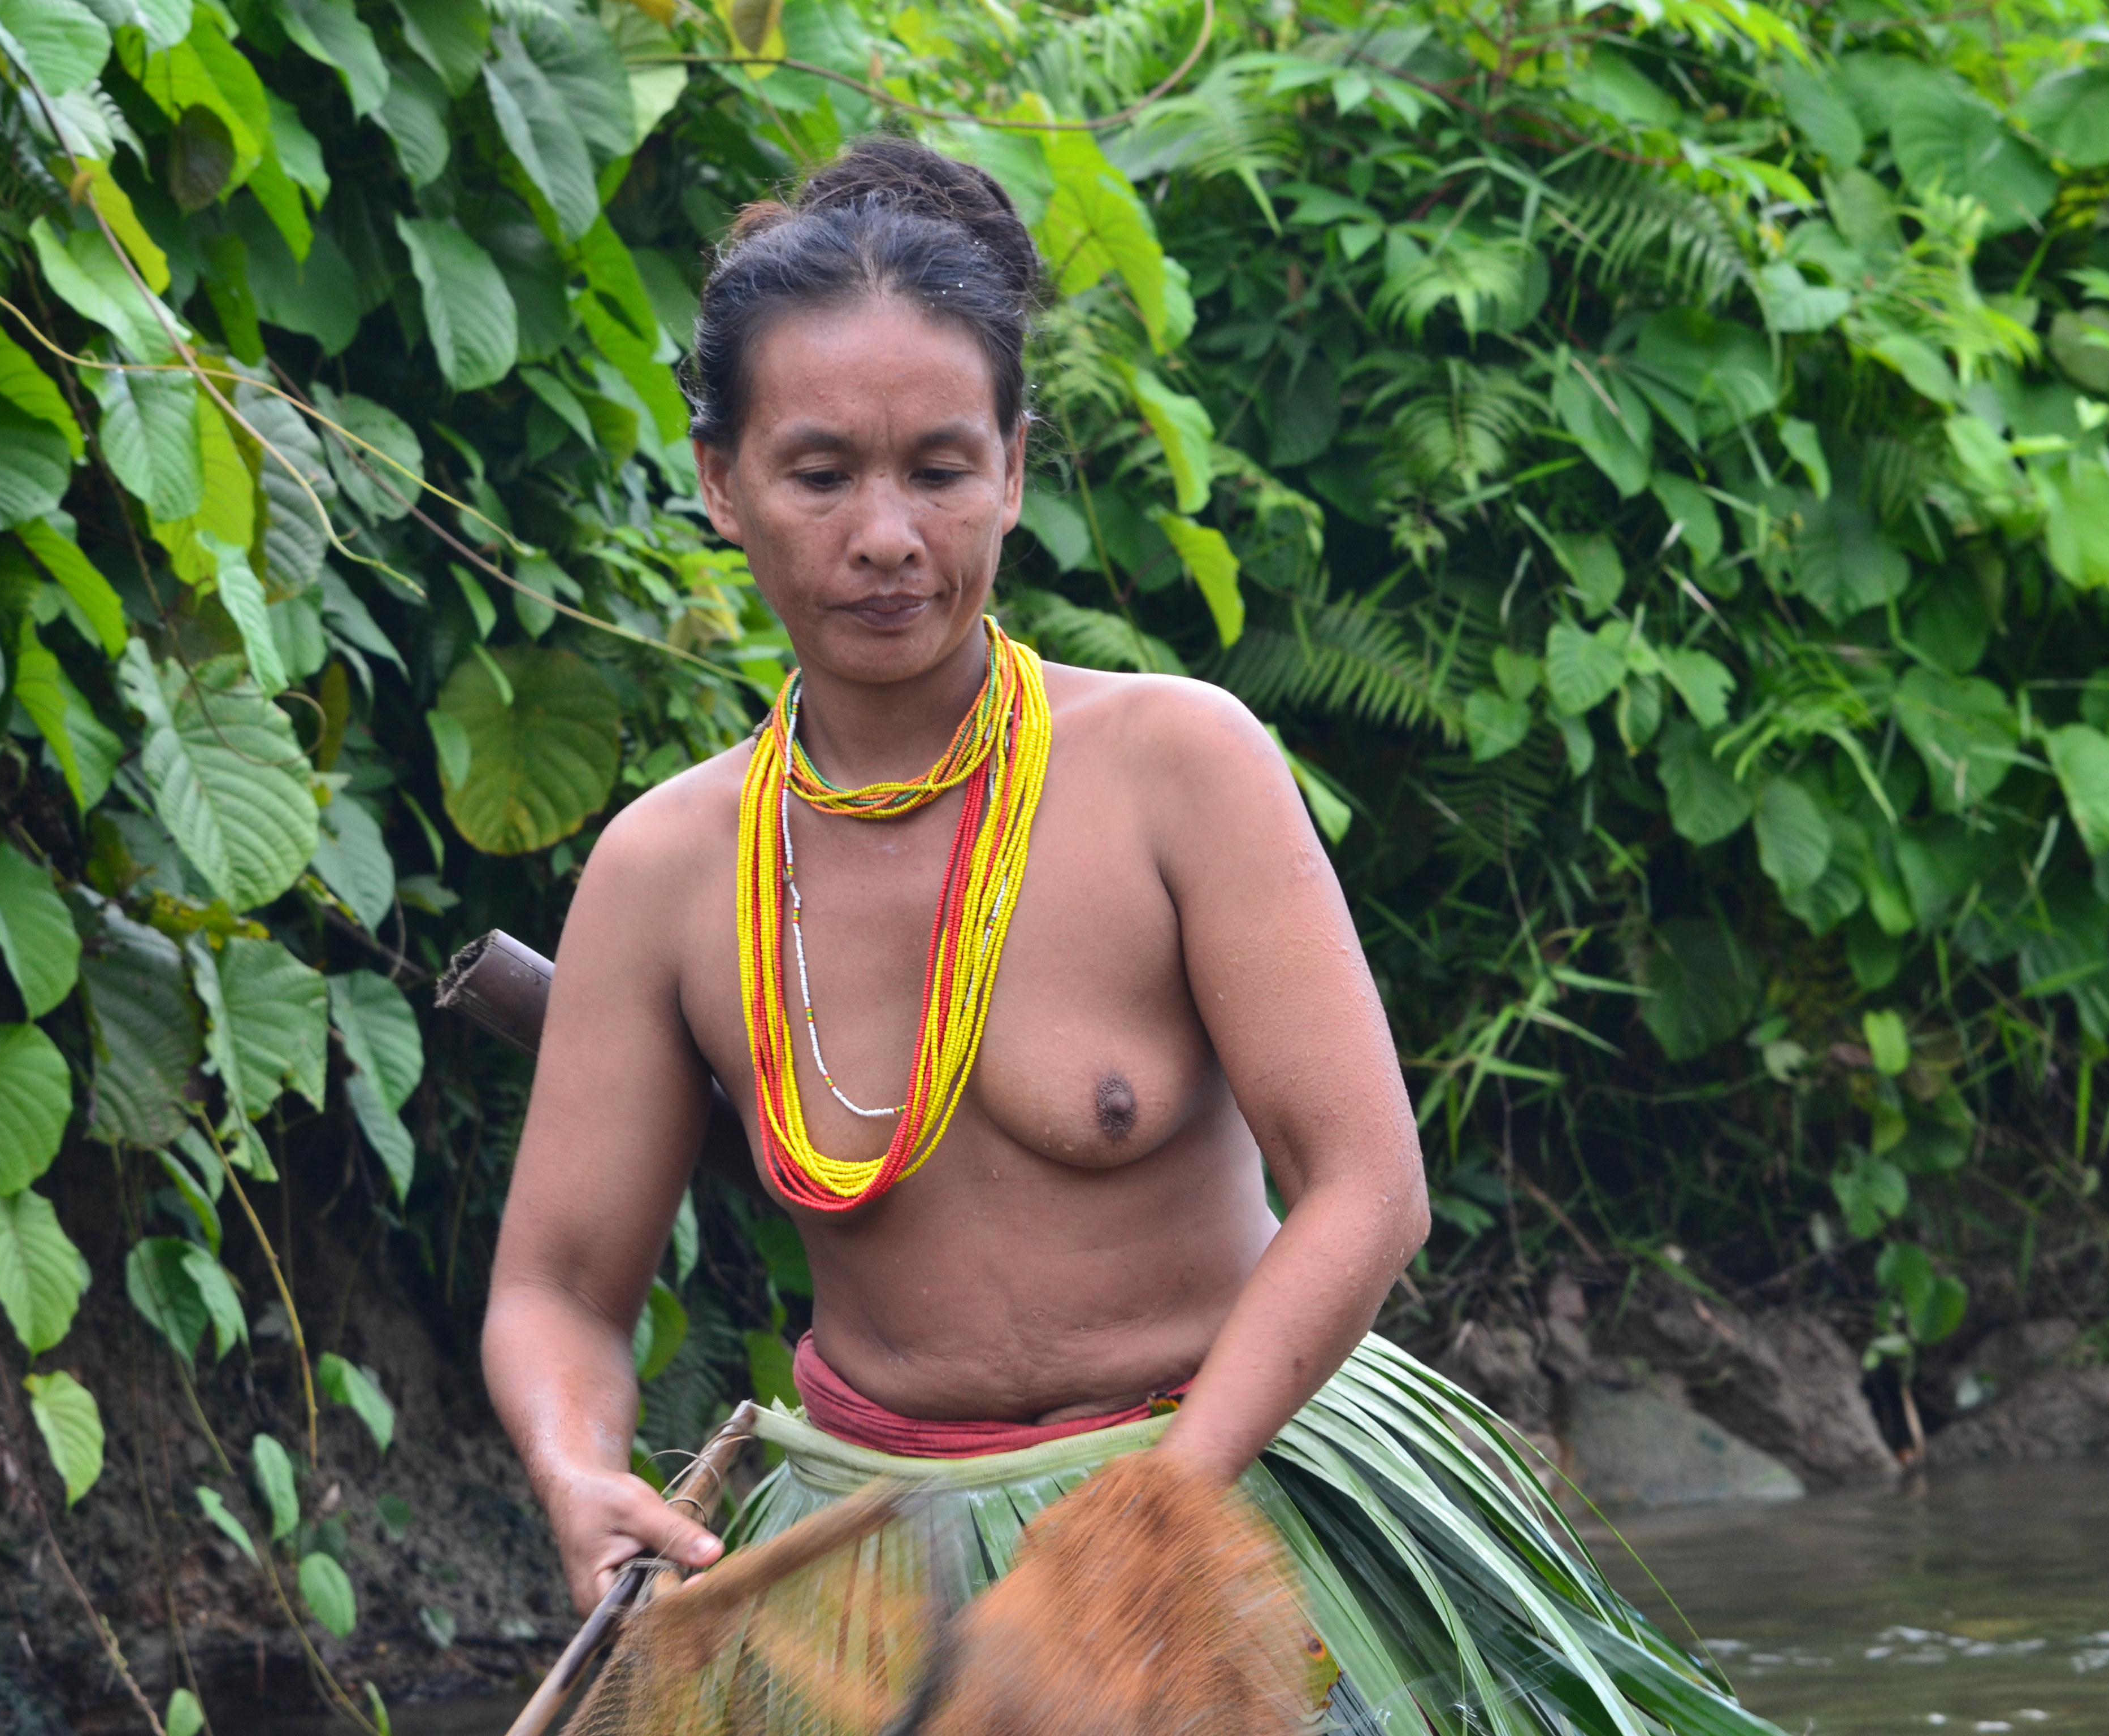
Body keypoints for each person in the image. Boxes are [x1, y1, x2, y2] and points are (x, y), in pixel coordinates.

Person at [485, 134, 1779, 1735]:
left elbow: (1369, 1188)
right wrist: (576, 1467)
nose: (886, 535)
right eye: (820, 476)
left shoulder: (1176, 765)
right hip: (869, 1549)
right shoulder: (667, 870)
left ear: (1016, 469)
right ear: (720, 482)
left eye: (940, 470)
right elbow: (559, 1285)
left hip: (1222, 1478)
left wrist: (1157, 1521)